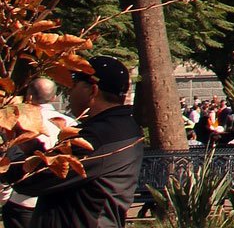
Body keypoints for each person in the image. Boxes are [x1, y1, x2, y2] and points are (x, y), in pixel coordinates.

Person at [7, 57, 143, 228]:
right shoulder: (122, 127)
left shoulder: (97, 138)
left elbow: (31, 179)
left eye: (74, 85)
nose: (69, 92)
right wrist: (34, 148)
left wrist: (11, 145)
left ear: (93, 90)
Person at [3, 78, 71, 228]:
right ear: (53, 97)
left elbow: (8, 162)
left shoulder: (16, 122)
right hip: (55, 200)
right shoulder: (70, 124)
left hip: (21, 200)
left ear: (29, 96)